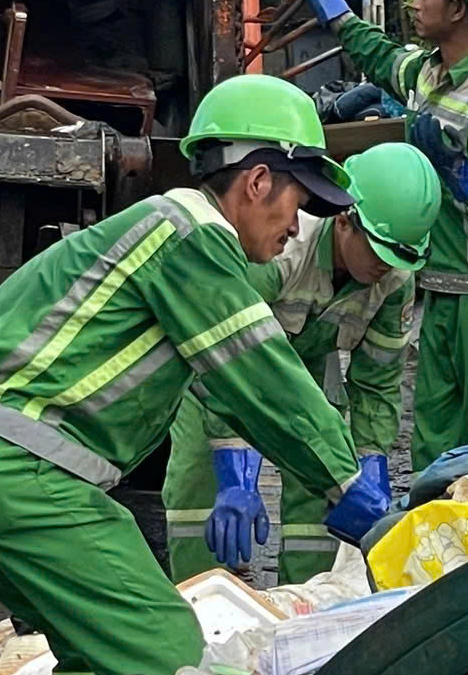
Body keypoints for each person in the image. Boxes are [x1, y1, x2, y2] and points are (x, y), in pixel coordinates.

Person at [0, 74, 396, 675]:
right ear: (257, 182)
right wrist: (348, 487)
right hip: (6, 462)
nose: (297, 229)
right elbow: (262, 374)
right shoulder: (192, 235)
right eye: (298, 205)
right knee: (165, 649)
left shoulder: (161, 230)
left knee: (91, 644)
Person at [280, 0, 468, 470]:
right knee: (433, 436)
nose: (416, 2)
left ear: (460, 7)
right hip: (440, 282)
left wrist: (465, 180)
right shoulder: (427, 72)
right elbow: (379, 56)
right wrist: (329, 4)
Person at [163, 141, 438, 583]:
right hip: (220, 367)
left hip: (307, 370)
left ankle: (305, 608)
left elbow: (377, 383)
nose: (384, 269)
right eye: (379, 253)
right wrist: (236, 470)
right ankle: (201, 607)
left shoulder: (394, 279)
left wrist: (369, 461)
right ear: (345, 221)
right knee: (203, 487)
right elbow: (220, 353)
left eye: (399, 259)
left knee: (327, 481)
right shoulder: (282, 248)